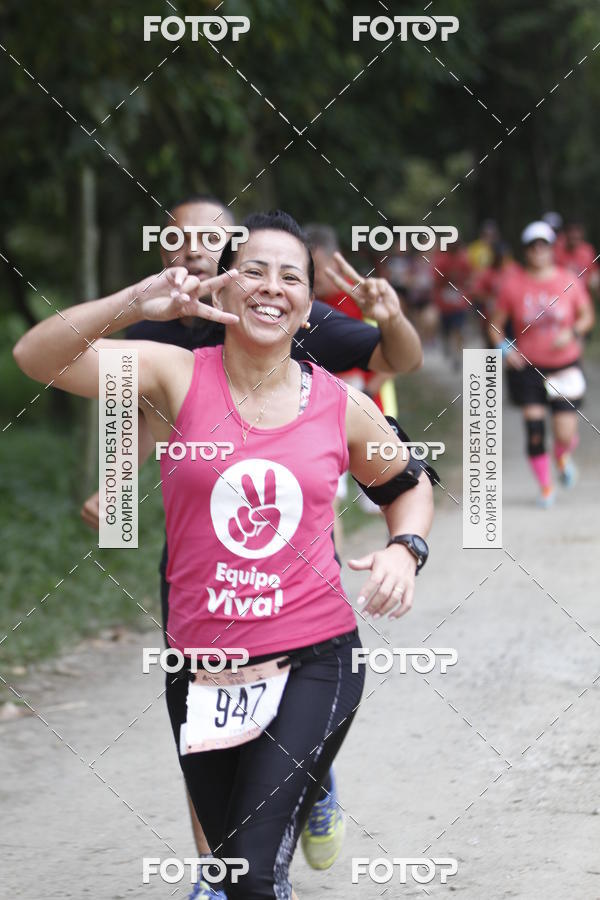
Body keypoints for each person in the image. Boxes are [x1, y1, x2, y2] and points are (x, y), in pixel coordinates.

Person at [14, 210, 435, 900]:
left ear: (306, 310)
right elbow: (38, 357)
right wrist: (133, 301)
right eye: (255, 271)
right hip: (201, 670)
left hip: (314, 658)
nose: (272, 287)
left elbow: (407, 485)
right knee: (231, 866)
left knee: (252, 880)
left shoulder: (339, 402)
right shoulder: (173, 375)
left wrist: (405, 548)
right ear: (224, 291)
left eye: (290, 276)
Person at [489, 221, 595, 507]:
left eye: (543, 245)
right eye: (533, 246)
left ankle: (562, 456)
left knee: (564, 432)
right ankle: (546, 486)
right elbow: (495, 324)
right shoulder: (513, 285)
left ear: (551, 249)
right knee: (534, 430)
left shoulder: (569, 280)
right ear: (526, 251)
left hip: (564, 365)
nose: (539, 251)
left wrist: (573, 332)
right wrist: (503, 348)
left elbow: (587, 316)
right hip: (529, 367)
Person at [432, 237, 473, 369]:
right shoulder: (441, 259)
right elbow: (435, 278)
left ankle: (458, 355)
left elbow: (470, 276)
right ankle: (447, 345)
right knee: (447, 330)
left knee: (458, 329)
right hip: (445, 302)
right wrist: (448, 278)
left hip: (459, 301)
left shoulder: (464, 259)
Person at [554, 219, 600, 293]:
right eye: (571, 231)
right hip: (562, 290)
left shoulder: (587, 250)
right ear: (565, 234)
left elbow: (594, 272)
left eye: (577, 231)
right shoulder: (557, 250)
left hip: (582, 291)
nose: (574, 234)